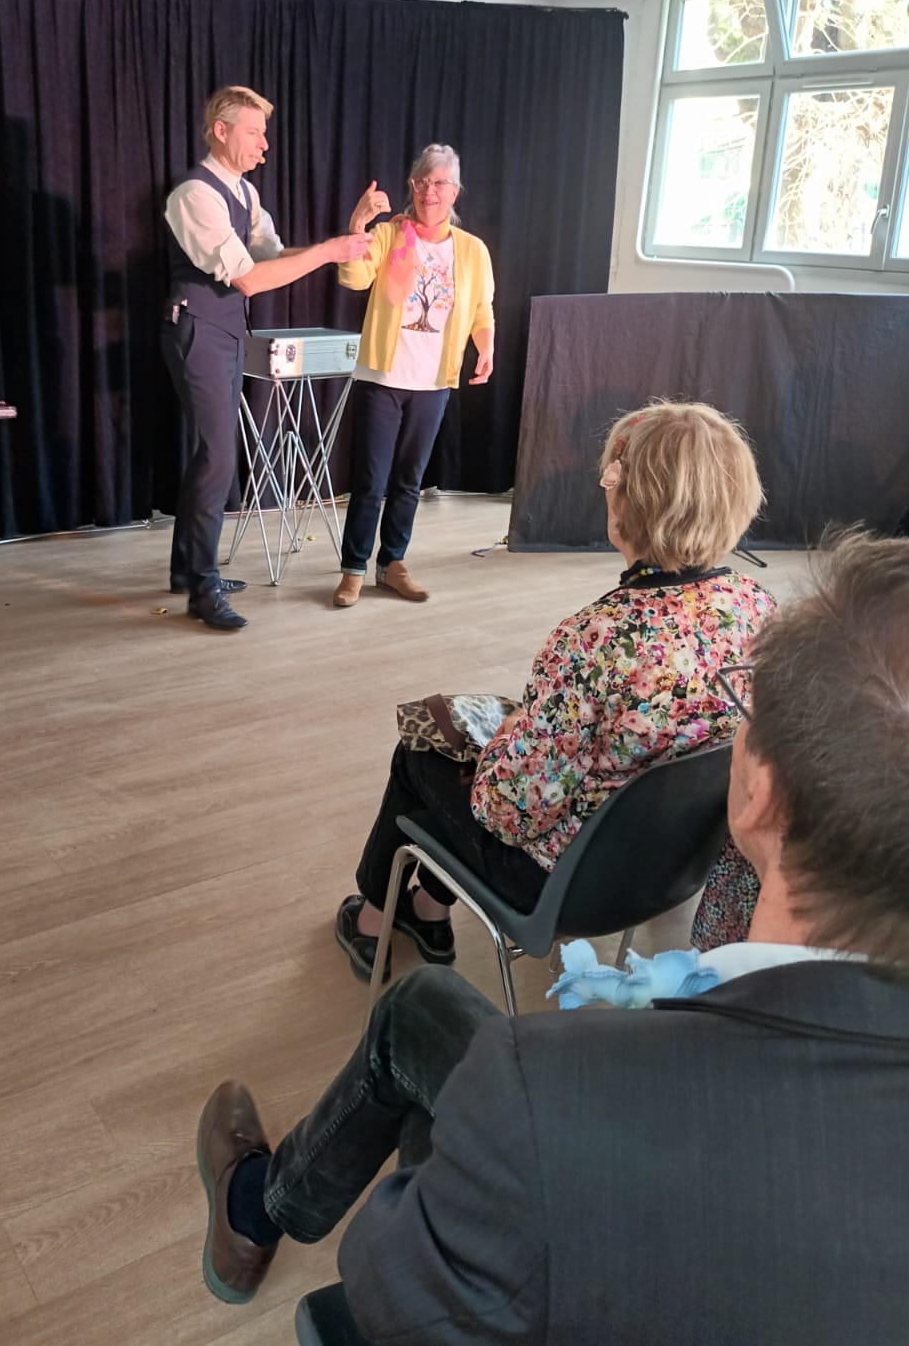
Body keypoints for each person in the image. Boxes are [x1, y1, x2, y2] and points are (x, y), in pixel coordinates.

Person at [196, 531, 909, 1344]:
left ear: (763, 798)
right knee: (423, 1006)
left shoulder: (537, 1093)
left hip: (547, 984)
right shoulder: (742, 605)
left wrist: (476, 1148)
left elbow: (381, 1287)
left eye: (749, 709)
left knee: (419, 1021)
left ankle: (254, 1208)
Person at [335, 400, 772, 981]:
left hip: (563, 886)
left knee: (420, 755)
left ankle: (371, 921)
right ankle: (428, 911)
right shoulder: (758, 610)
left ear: (626, 503)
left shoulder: (595, 640)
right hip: (673, 868)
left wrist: (504, 741)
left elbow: (505, 813)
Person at [163, 86, 369, 632]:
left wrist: (341, 245)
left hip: (227, 332)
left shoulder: (245, 194)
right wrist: (328, 253)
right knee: (217, 458)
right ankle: (202, 589)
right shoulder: (195, 195)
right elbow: (250, 278)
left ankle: (187, 570)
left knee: (210, 457)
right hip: (198, 332)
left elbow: (273, 255)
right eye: (254, 132)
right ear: (221, 130)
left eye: (264, 133)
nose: (264, 145)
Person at [332, 145, 494, 609]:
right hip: (382, 378)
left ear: (455, 191)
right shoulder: (389, 235)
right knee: (371, 480)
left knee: (409, 481)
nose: (429, 191)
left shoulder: (472, 250)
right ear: (412, 187)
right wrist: (358, 225)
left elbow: (482, 308)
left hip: (434, 382)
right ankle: (354, 568)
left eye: (439, 183)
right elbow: (354, 279)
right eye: (421, 182)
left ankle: (392, 564)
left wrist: (485, 347)